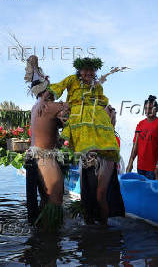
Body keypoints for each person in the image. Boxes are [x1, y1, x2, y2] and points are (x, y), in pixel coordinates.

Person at [48, 57, 121, 225]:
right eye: (85, 70)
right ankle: (91, 221)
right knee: (89, 182)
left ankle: (104, 228)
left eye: (92, 70)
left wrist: (110, 111)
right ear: (79, 71)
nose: (88, 73)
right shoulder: (71, 80)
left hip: (100, 128)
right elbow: (56, 89)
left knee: (101, 193)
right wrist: (59, 105)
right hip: (81, 127)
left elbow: (103, 102)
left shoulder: (98, 87)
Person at [24, 56, 70, 229]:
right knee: (56, 199)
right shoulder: (49, 106)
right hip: (45, 158)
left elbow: (51, 127)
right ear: (46, 89)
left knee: (45, 198)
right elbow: (74, 104)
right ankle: (51, 240)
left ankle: (42, 239)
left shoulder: (36, 107)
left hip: (34, 156)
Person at [126, 95, 158, 179]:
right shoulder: (140, 124)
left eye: (151, 108)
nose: (148, 111)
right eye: (146, 108)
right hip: (140, 166)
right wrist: (130, 162)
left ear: (156, 109)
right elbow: (135, 146)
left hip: (153, 168)